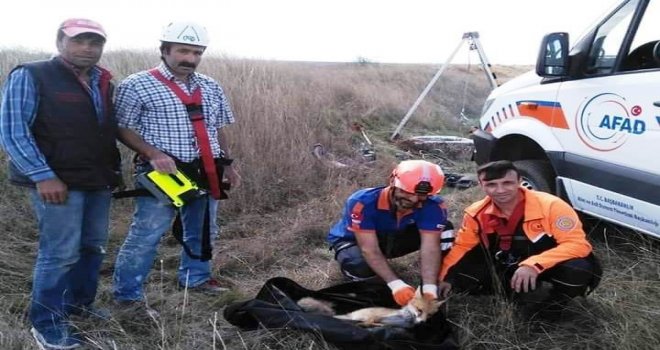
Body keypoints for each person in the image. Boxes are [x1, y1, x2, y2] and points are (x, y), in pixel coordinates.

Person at [0, 18, 119, 349]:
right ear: (59, 42)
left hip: (96, 180)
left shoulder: (104, 81)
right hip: (57, 182)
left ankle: (80, 306)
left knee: (93, 247)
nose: (87, 48)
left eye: (94, 42)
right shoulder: (32, 75)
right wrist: (43, 175)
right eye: (78, 40)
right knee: (60, 253)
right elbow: (13, 131)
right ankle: (47, 323)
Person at [112, 21, 240, 305]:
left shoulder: (210, 86)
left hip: (207, 169)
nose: (190, 59)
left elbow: (217, 127)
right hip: (163, 173)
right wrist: (153, 153)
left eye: (197, 53)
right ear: (164, 50)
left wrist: (228, 164)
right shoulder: (137, 85)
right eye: (183, 51)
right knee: (147, 233)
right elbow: (122, 127)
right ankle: (127, 296)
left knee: (204, 228)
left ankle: (195, 278)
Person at [438, 160, 601, 316]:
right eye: (491, 185)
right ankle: (511, 293)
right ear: (481, 186)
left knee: (577, 269)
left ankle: (551, 308)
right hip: (506, 263)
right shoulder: (475, 213)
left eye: (507, 183)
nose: (500, 190)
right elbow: (462, 247)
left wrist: (534, 265)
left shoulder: (552, 205)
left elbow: (578, 245)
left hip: (545, 264)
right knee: (461, 277)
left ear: (519, 181)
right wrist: (444, 277)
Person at [327, 160, 454, 306]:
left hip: (393, 238)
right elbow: (369, 249)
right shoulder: (362, 202)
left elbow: (430, 247)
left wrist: (429, 287)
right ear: (393, 182)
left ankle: (441, 277)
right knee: (357, 264)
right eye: (406, 191)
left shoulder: (434, 205)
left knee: (445, 229)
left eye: (421, 195)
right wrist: (395, 284)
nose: (413, 199)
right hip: (354, 241)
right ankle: (371, 283)